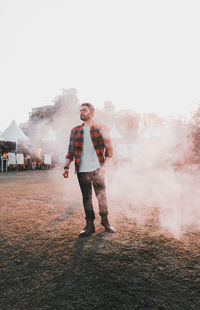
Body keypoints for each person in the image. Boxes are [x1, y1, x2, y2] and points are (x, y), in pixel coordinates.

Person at [63, 103, 115, 237]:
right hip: (81, 170)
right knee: (86, 198)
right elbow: (70, 151)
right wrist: (66, 166)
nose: (81, 112)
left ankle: (105, 221)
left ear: (91, 112)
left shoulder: (100, 128)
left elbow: (109, 150)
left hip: (98, 168)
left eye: (84, 110)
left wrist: (105, 167)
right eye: (80, 110)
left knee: (101, 196)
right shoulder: (75, 131)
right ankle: (89, 225)